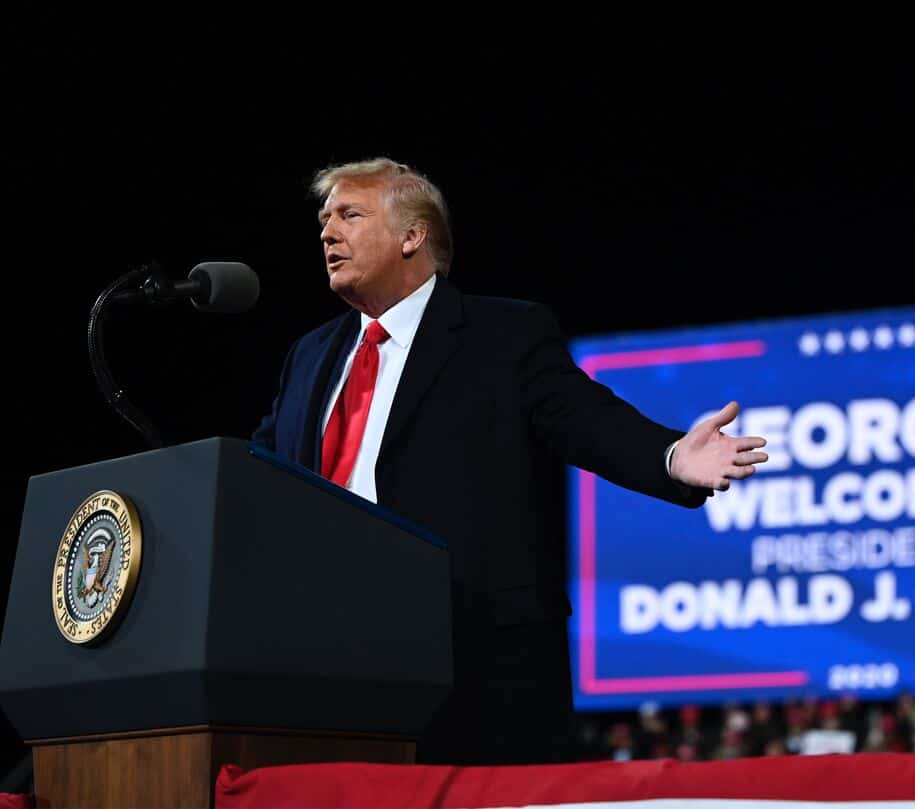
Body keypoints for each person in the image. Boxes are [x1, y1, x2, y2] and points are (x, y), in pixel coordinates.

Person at [252, 158, 769, 764]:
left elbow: (584, 418)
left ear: (411, 236)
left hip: (472, 658)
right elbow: (258, 468)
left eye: (349, 215)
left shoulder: (503, 333)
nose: (327, 232)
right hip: (330, 651)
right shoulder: (310, 355)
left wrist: (670, 454)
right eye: (324, 219)